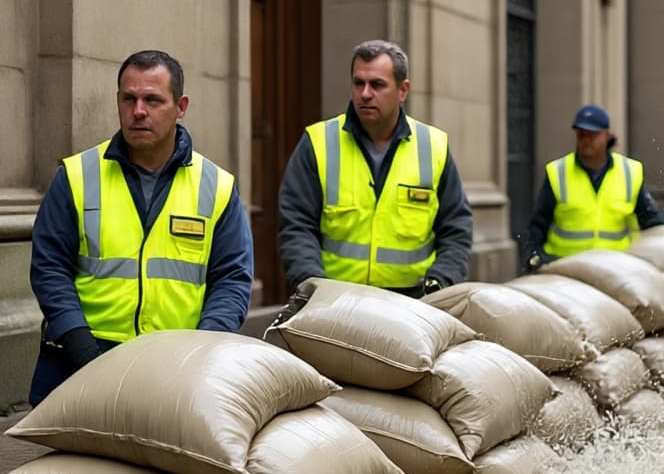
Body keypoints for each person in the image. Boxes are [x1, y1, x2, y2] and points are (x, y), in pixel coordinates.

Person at [26, 49, 253, 406]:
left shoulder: (216, 186)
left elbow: (232, 279)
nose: (138, 111)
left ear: (181, 107)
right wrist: (82, 348)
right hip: (79, 358)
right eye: (128, 99)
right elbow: (49, 269)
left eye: (153, 100)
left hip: (177, 365)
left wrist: (201, 349)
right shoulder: (76, 176)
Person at [277, 39, 472, 296]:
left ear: (403, 90)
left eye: (377, 85)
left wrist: (441, 281)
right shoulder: (318, 142)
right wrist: (310, 282)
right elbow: (296, 225)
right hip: (334, 300)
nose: (365, 94)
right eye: (359, 83)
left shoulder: (433, 146)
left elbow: (456, 228)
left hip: (413, 302)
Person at [524, 104, 664, 270]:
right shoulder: (558, 172)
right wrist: (534, 257)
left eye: (592, 135)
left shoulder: (629, 172)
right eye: (581, 135)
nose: (586, 140)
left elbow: (652, 220)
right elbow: (538, 223)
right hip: (566, 268)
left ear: (607, 135)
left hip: (615, 268)